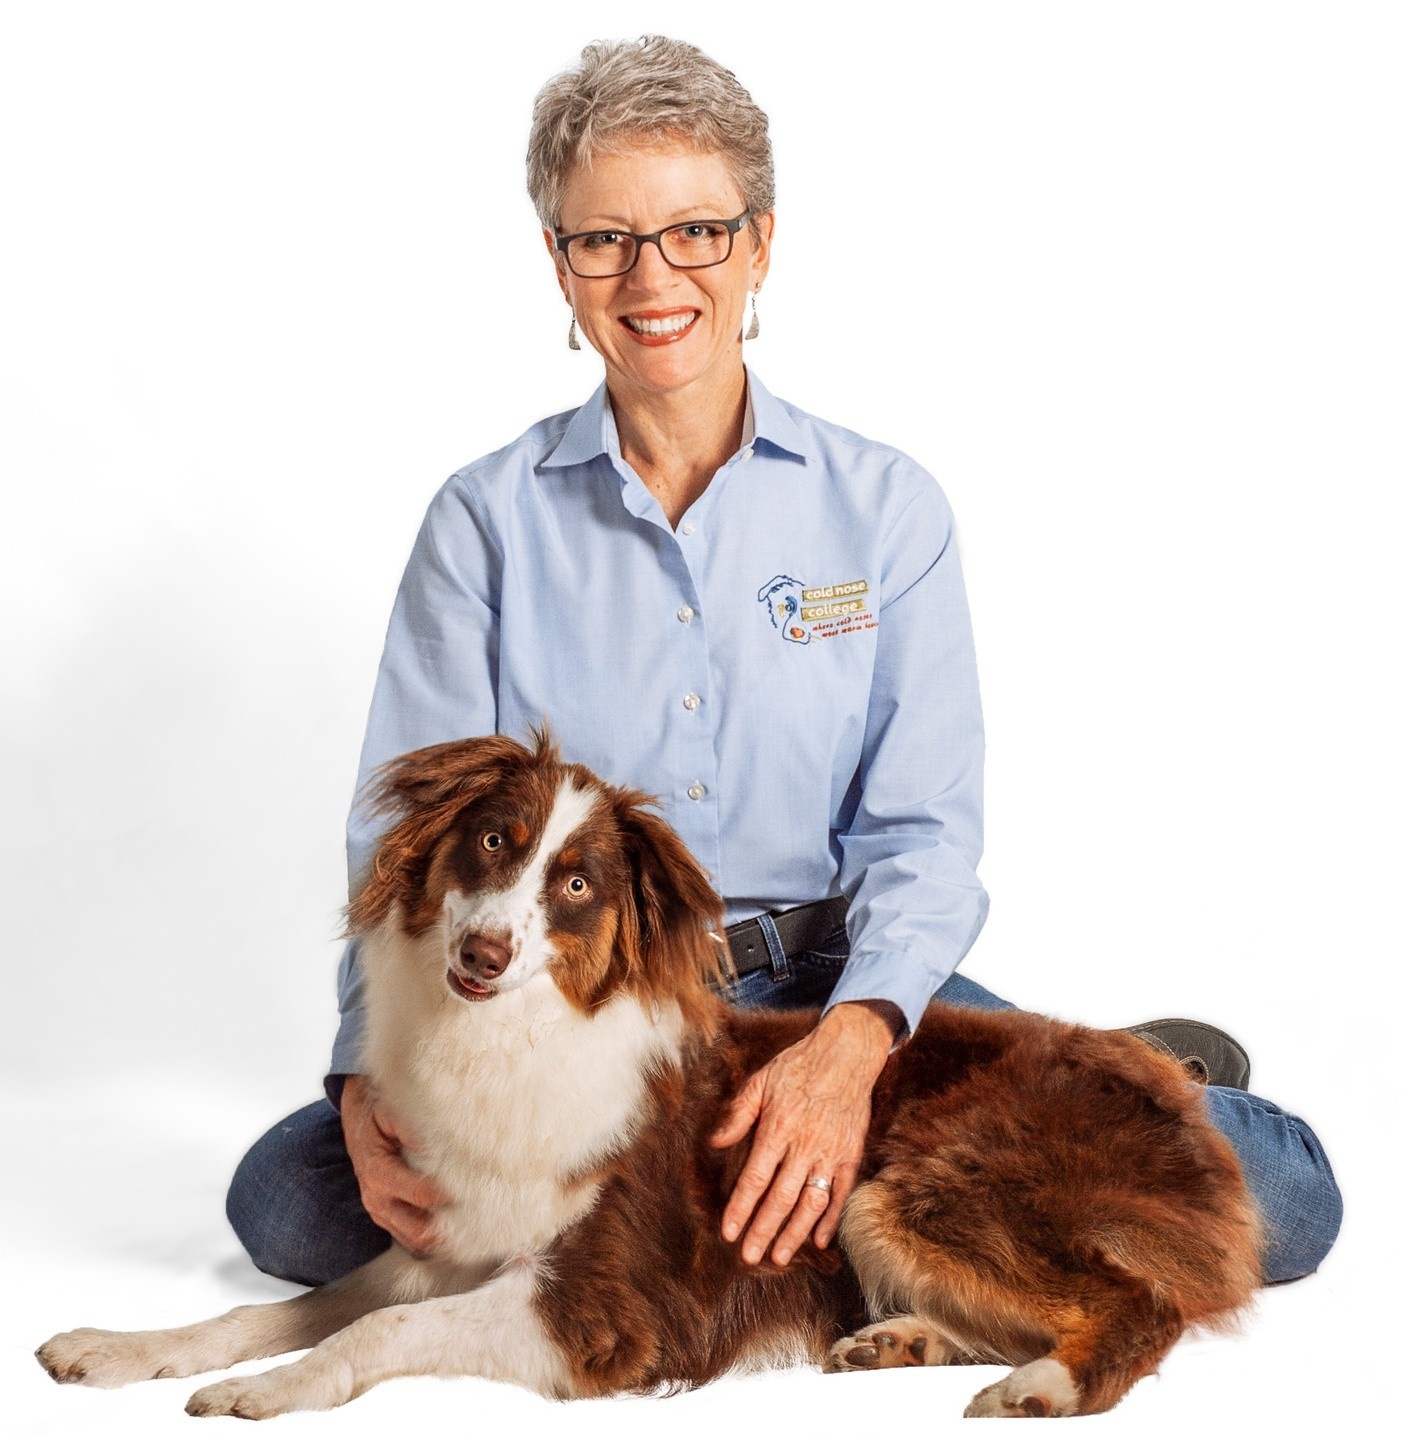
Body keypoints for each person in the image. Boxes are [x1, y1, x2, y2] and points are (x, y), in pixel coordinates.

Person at [227, 35, 1340, 1293]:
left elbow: (920, 835)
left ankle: (1091, 1076)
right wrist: (367, 1069)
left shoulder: (884, 509)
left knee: (1285, 1203)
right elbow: (407, 838)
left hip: (835, 985)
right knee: (290, 1212)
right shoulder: (483, 521)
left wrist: (852, 1051)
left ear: (759, 244)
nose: (652, 276)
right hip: (574, 1011)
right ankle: (888, 1156)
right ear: (558, 262)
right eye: (604, 240)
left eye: (695, 232)